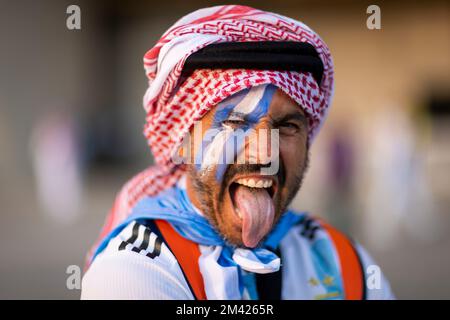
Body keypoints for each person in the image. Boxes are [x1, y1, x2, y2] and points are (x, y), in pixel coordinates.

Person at [81, 5, 394, 300]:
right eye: (233, 122)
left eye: (287, 127)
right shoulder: (133, 272)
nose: (264, 154)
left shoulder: (342, 260)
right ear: (182, 139)